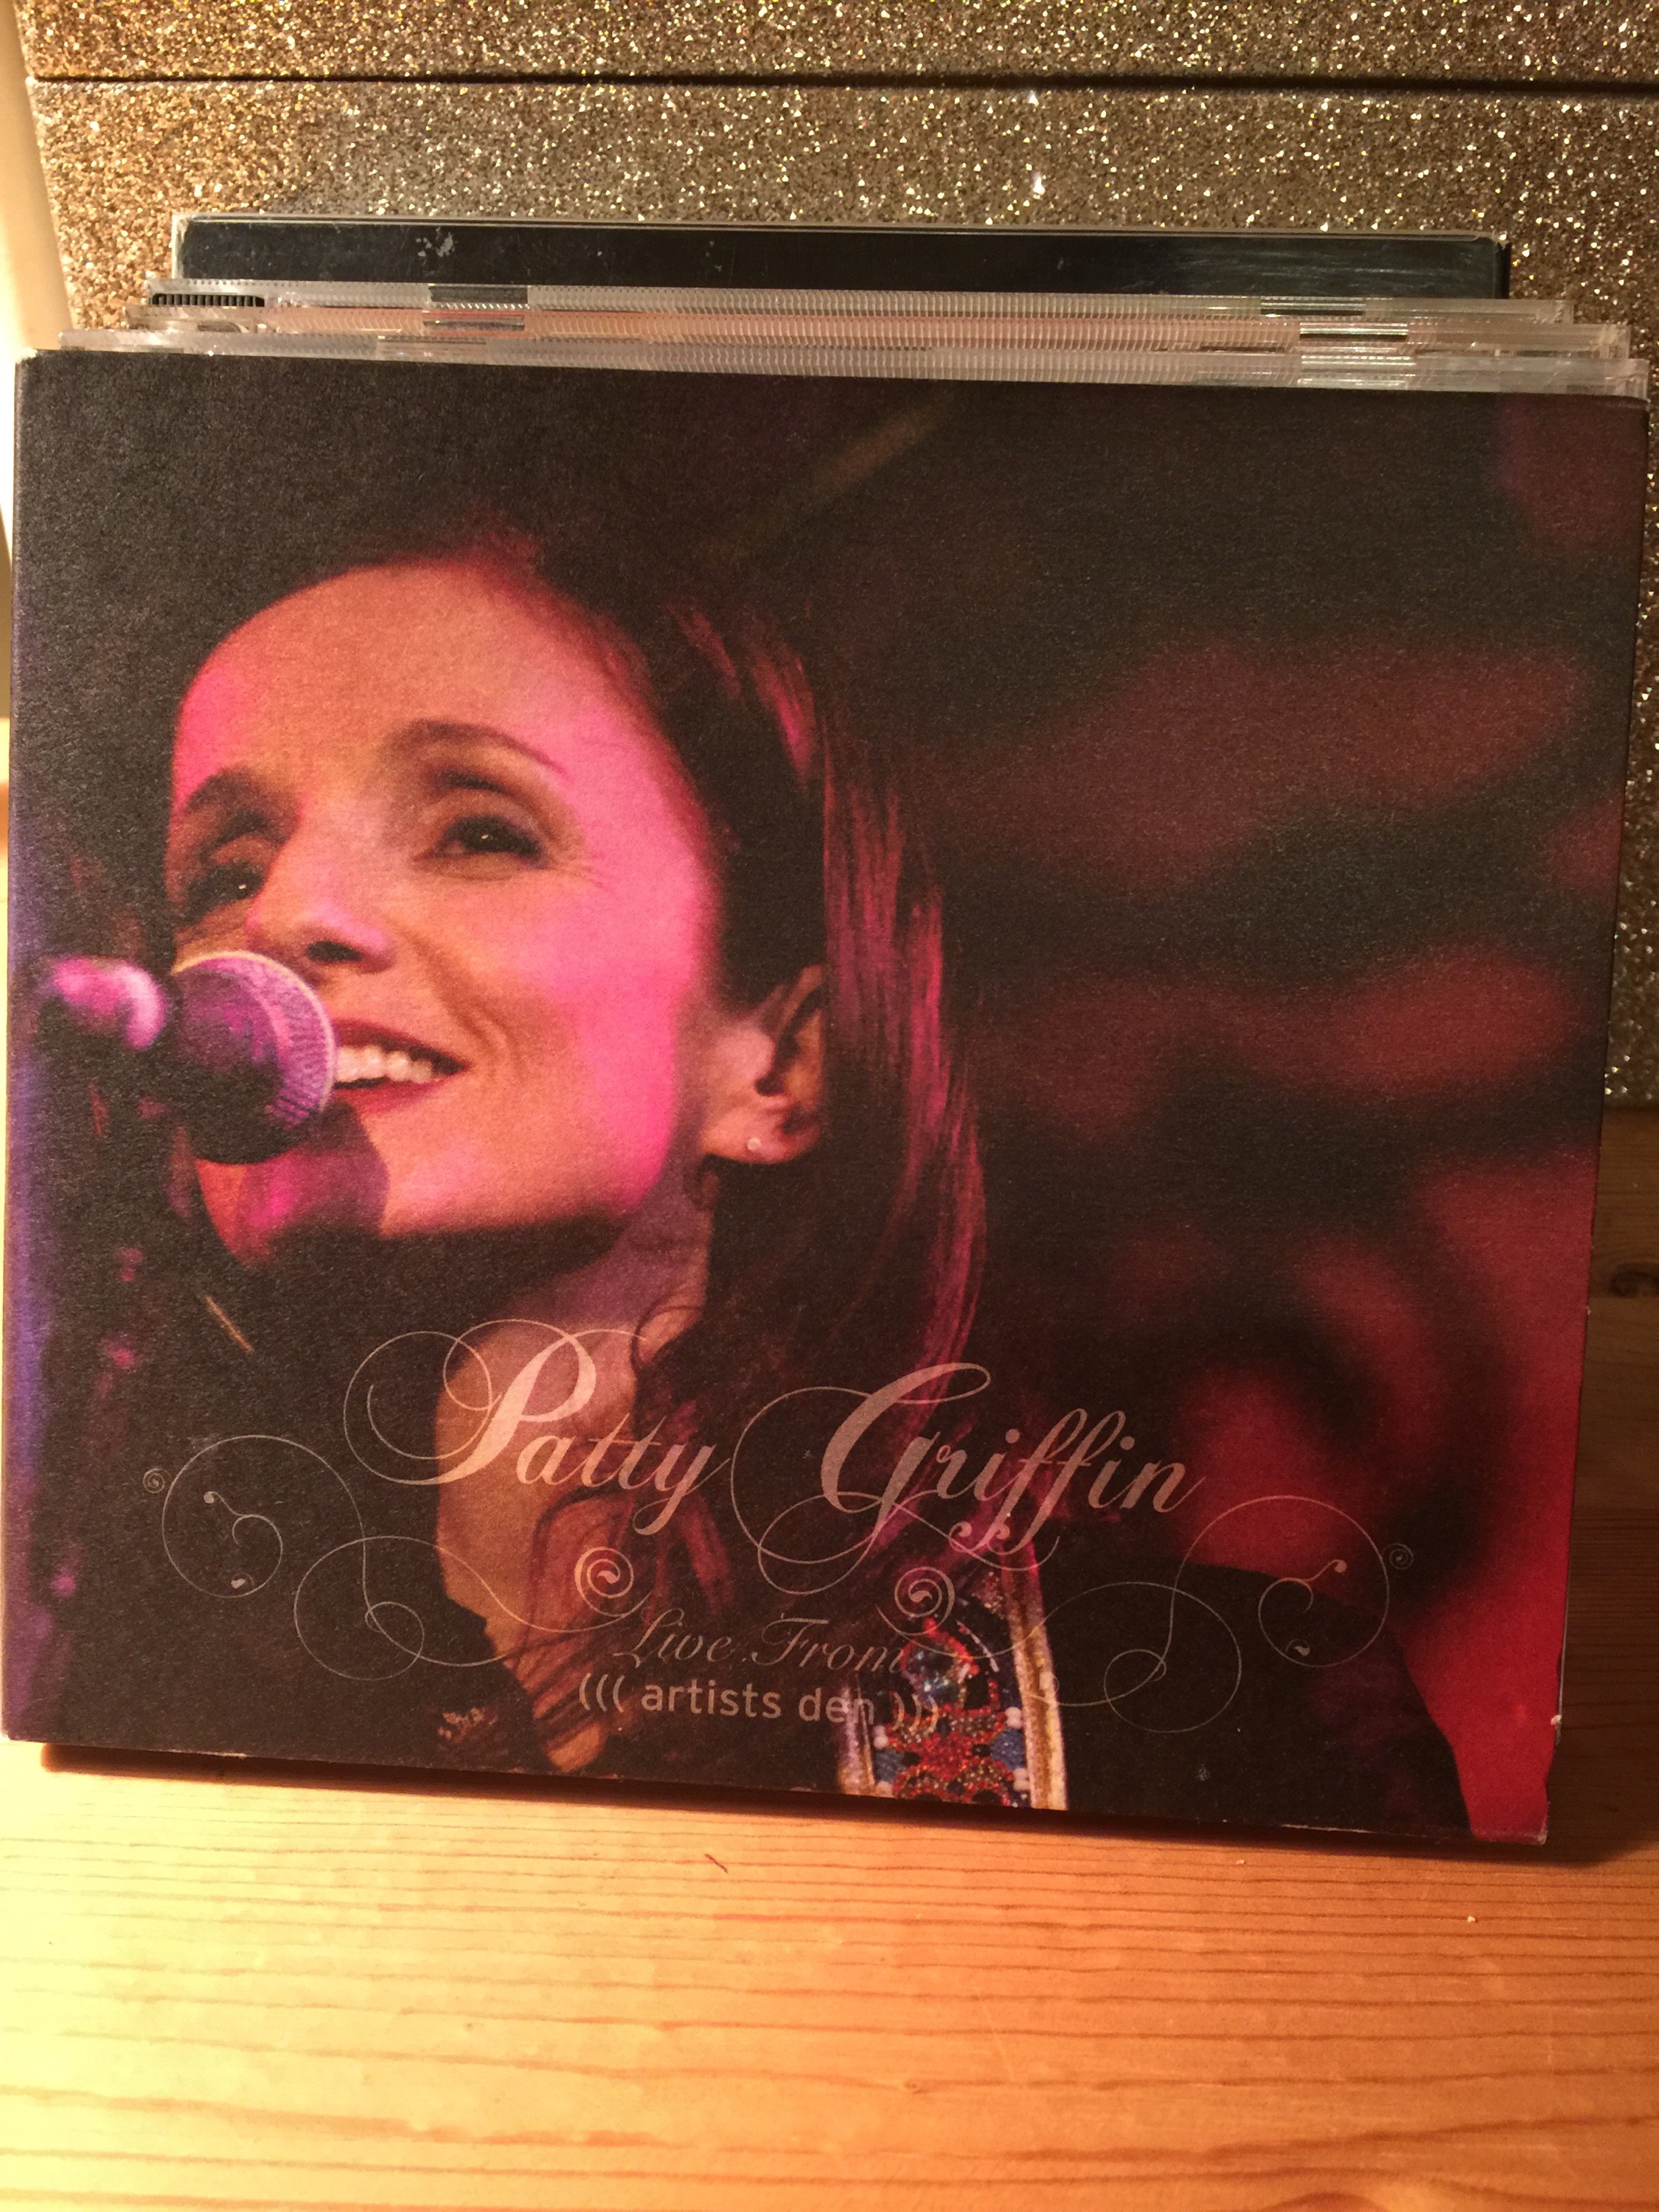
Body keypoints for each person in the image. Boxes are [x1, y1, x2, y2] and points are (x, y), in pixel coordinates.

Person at [24, 517, 1466, 1833]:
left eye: (480, 831)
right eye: (225, 872)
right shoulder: (93, 1652)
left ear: (779, 1064)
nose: (286, 917)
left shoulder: (1226, 1711)